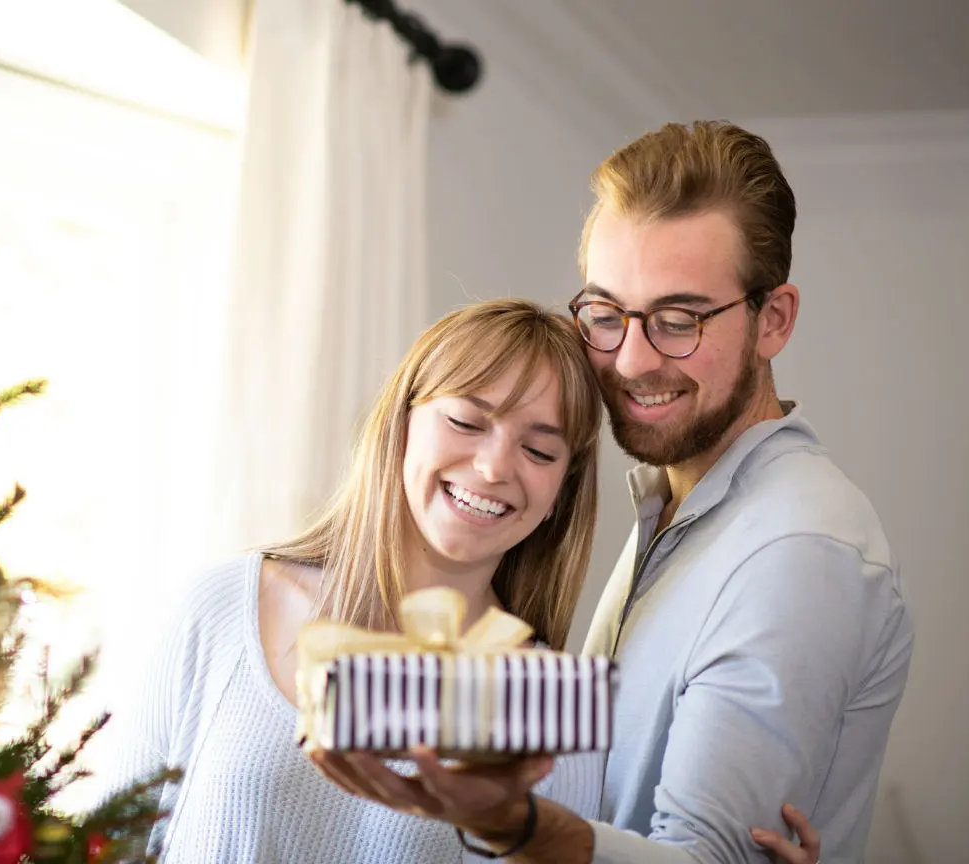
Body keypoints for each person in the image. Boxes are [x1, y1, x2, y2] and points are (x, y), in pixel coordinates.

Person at [312, 120, 911, 864]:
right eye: (605, 314)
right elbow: (599, 744)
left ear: (773, 321)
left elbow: (702, 858)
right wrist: (343, 691)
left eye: (678, 320)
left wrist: (516, 826)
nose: (629, 360)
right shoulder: (675, 504)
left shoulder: (797, 550)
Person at [88, 298, 813, 863]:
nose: (496, 467)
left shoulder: (546, 703)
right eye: (468, 421)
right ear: (401, 424)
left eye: (538, 448)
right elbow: (105, 846)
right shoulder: (224, 605)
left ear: (560, 488)